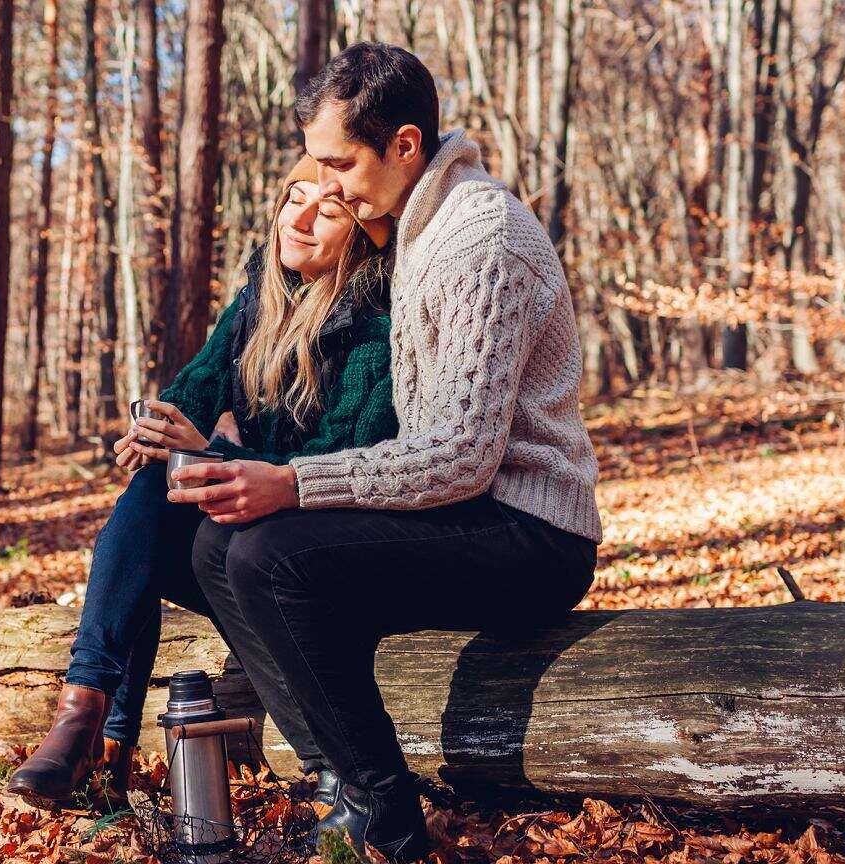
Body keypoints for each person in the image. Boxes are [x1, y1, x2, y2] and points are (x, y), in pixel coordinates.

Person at [169, 43, 602, 862]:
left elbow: (461, 456)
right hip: (462, 512)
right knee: (217, 543)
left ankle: (385, 814)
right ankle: (341, 780)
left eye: (340, 162)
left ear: (405, 145)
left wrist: (294, 484)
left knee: (269, 557)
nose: (325, 183)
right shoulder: (413, 227)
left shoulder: (480, 237)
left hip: (530, 534)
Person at [6, 156, 400, 812]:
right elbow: (202, 379)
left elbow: (338, 462)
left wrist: (205, 451)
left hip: (297, 566)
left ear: (358, 238)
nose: (296, 219)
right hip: (241, 543)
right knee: (149, 496)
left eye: (326, 211)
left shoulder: (373, 334)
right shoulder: (261, 296)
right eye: (291, 198)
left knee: (157, 521)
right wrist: (157, 428)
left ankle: (96, 739)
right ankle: (93, 737)